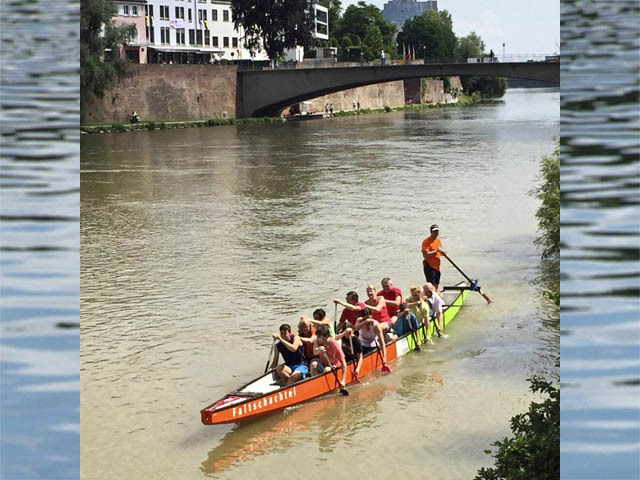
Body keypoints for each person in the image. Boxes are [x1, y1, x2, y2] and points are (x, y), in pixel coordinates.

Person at [421, 224, 446, 291]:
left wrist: (443, 253)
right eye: (434, 231)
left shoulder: (438, 240)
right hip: (429, 265)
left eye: (437, 232)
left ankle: (435, 296)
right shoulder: (426, 241)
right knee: (430, 285)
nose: (436, 233)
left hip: (437, 266)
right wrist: (436, 251)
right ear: (431, 232)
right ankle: (430, 297)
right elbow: (425, 255)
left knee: (436, 283)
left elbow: (439, 251)